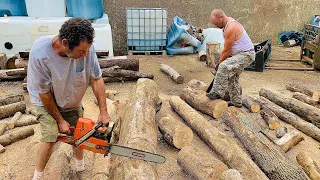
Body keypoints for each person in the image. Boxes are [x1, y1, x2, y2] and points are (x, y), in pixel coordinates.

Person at [27, 18, 110, 180]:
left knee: (79, 131)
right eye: (81, 51)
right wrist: (59, 120)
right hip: (45, 99)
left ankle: (80, 167)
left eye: (87, 50)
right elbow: (44, 93)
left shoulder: (86, 48)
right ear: (65, 43)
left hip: (70, 95)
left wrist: (103, 112)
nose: (85, 55)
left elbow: (96, 79)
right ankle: (38, 175)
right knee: (50, 135)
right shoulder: (40, 54)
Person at [206, 9, 255, 107]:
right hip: (239, 54)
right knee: (232, 76)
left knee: (224, 66)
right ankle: (236, 102)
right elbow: (227, 49)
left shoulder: (231, 27)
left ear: (222, 18)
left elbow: (227, 50)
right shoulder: (226, 25)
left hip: (246, 54)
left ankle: (218, 92)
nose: (215, 26)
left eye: (216, 23)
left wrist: (219, 65)